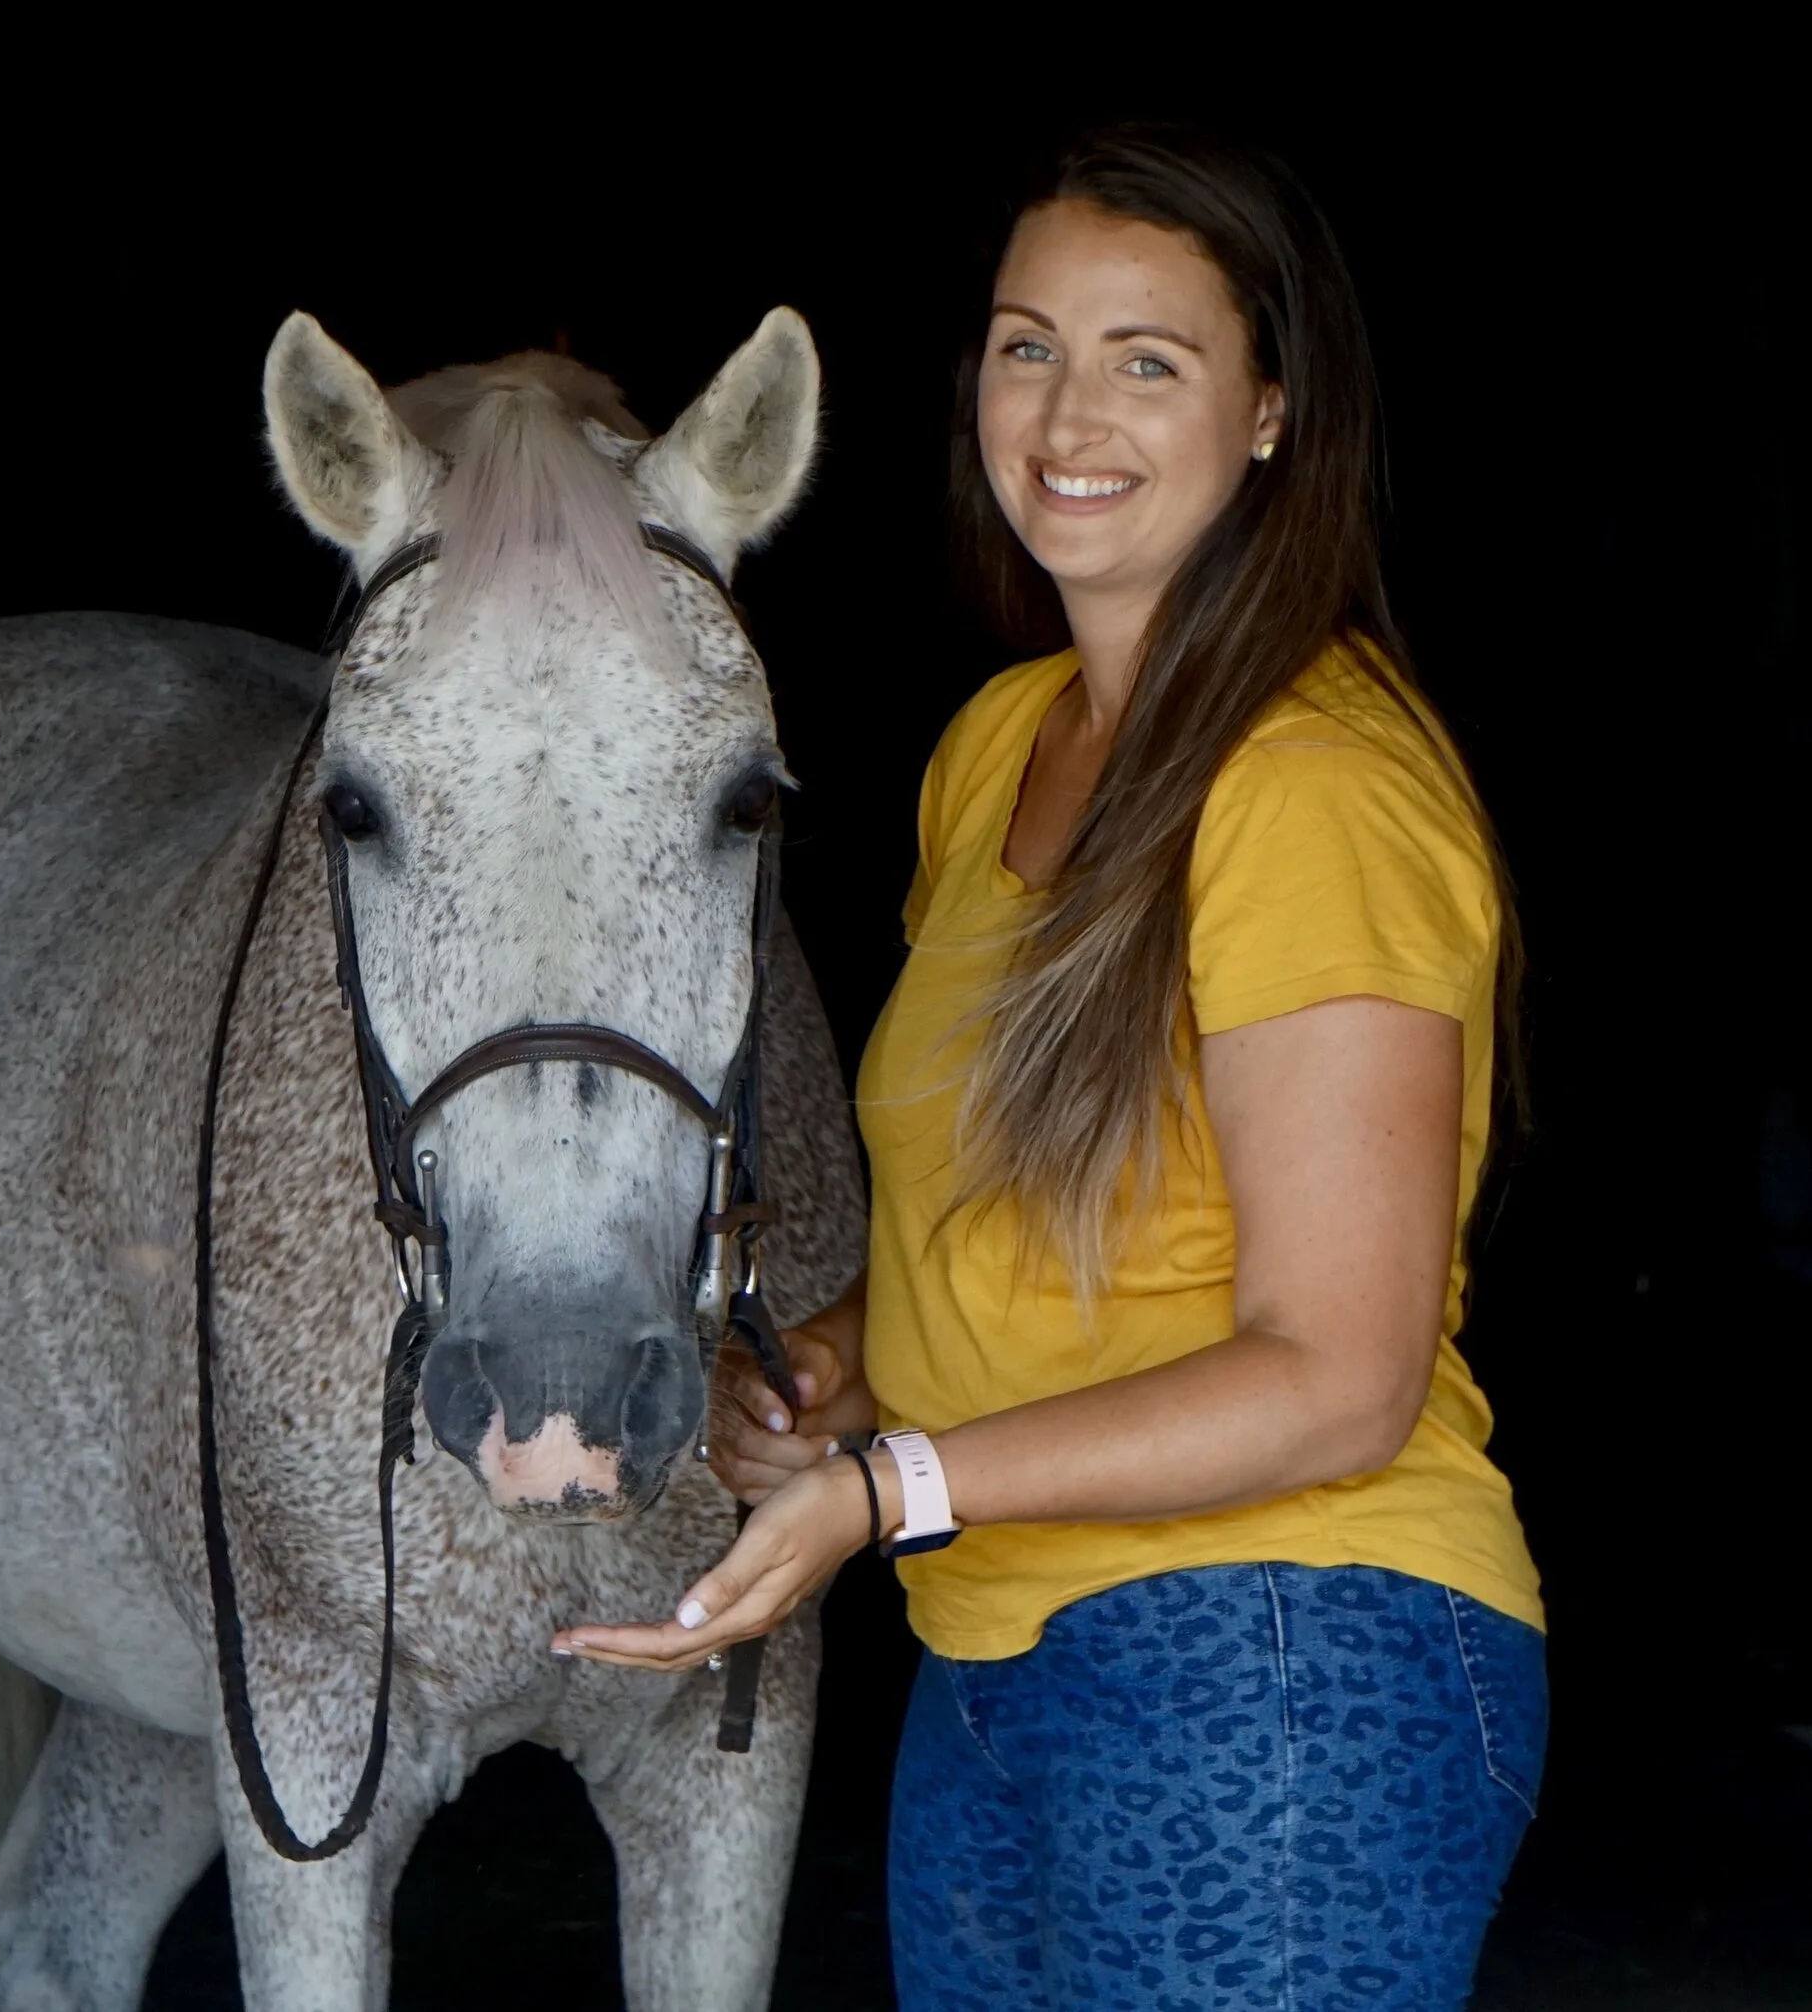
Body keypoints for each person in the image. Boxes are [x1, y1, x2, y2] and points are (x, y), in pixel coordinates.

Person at [556, 124, 1547, 2009]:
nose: (1068, 411)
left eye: (1146, 358)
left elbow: (1339, 1377)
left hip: (1287, 1649)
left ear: (1272, 409)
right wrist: (852, 1369)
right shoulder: (997, 747)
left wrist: (888, 1485)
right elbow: (1013, 1227)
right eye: (1028, 345)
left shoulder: (1312, 785)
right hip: (997, 1663)